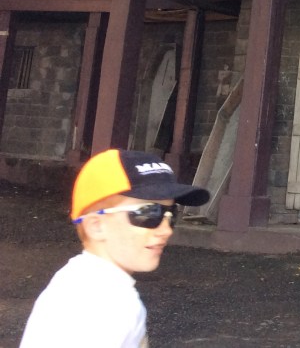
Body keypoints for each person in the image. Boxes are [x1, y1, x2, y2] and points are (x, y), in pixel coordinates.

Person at [20, 148, 209, 348]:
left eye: (171, 214)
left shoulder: (77, 281)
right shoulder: (108, 306)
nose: (166, 230)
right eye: (148, 213)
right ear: (96, 226)